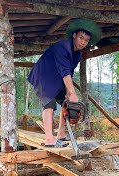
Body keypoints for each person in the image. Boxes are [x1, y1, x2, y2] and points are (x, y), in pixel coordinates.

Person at [27, 19, 101, 147]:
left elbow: (69, 73)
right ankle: (49, 138)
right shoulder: (63, 47)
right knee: (49, 104)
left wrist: (68, 93)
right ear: (74, 36)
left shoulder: (77, 54)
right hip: (43, 76)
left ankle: (61, 134)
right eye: (81, 38)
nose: (83, 42)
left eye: (86, 40)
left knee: (66, 103)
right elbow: (64, 71)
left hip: (57, 77)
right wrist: (72, 92)